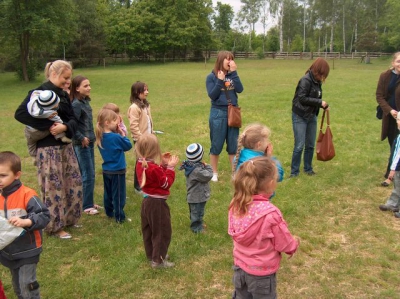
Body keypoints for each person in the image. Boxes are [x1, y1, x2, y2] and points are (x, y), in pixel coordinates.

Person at [15, 60, 82, 239]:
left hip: (65, 147)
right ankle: (54, 226)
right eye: (65, 78)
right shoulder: (38, 92)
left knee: (72, 182)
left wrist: (65, 127)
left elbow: (74, 119)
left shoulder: (64, 95)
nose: (68, 82)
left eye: (70, 78)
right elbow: (20, 114)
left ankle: (69, 218)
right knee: (53, 187)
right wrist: (49, 126)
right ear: (53, 74)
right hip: (48, 149)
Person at [228, 156, 299, 298]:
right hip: (262, 275)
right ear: (272, 183)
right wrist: (294, 244)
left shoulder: (236, 205)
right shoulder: (271, 214)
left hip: (239, 269)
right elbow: (284, 243)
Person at [0, 151, 50, 299]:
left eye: (3, 175)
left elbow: (44, 216)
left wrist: (26, 221)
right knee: (18, 287)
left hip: (27, 250)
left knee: (27, 285)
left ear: (17, 175)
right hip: (8, 252)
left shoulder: (27, 195)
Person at [135, 134, 179, 269]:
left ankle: (153, 255)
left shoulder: (141, 164)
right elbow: (165, 183)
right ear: (155, 151)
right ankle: (158, 260)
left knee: (149, 230)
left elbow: (156, 178)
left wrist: (163, 165)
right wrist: (170, 168)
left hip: (147, 202)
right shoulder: (152, 168)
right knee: (161, 231)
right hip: (157, 204)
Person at [206, 50, 244, 182]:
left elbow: (240, 89)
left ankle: (234, 173)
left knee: (233, 145)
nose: (230, 61)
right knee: (216, 144)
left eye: (231, 59)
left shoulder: (233, 75)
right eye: (227, 59)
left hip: (232, 112)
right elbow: (212, 95)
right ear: (220, 60)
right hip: (218, 113)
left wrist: (234, 73)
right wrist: (220, 80)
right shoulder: (211, 76)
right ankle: (214, 173)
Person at [290, 57, 330, 178]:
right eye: (323, 73)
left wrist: (323, 106)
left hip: (311, 115)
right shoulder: (305, 80)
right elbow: (302, 98)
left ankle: (308, 168)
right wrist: (319, 103)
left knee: (311, 144)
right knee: (299, 145)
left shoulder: (317, 81)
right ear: (318, 70)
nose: (324, 77)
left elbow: (314, 97)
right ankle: (294, 172)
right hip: (300, 115)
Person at [95, 108, 132, 223]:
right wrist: (122, 134)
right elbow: (128, 146)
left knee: (108, 192)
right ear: (107, 122)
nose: (118, 123)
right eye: (115, 120)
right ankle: (120, 217)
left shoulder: (100, 137)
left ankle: (109, 212)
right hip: (118, 170)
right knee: (119, 194)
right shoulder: (115, 137)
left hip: (107, 170)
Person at [71, 75, 100, 215]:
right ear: (77, 88)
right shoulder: (76, 104)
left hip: (90, 141)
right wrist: (81, 137)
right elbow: (72, 125)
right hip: (82, 143)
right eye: (85, 86)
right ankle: (86, 206)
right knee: (87, 174)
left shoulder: (85, 102)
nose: (89, 88)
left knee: (90, 172)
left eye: (89, 85)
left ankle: (88, 201)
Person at [376, 52, 400, 187]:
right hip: (390, 118)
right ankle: (392, 173)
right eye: (399, 61)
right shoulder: (385, 76)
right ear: (393, 63)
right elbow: (379, 96)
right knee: (393, 145)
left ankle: (389, 177)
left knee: (397, 147)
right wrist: (390, 111)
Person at [25, 90, 71, 157]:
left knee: (31, 144)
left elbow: (34, 93)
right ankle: (62, 137)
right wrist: (63, 126)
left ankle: (34, 156)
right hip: (42, 132)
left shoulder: (33, 104)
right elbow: (58, 120)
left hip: (30, 132)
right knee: (54, 126)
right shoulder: (50, 113)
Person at [179, 143, 213, 233]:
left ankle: (199, 223)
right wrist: (208, 166)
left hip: (195, 196)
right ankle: (196, 228)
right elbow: (209, 175)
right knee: (197, 212)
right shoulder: (197, 171)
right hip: (197, 197)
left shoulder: (191, 166)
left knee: (196, 212)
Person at [127, 81, 153, 193]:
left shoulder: (146, 105)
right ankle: (138, 186)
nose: (147, 92)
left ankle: (146, 182)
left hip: (148, 138)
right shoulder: (134, 107)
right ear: (137, 92)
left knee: (148, 160)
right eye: (144, 90)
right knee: (140, 162)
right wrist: (140, 138)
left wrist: (151, 134)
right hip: (140, 139)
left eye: (147, 89)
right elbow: (133, 126)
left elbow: (148, 121)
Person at [379, 113, 400, 216]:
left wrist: (393, 168)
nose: (397, 122)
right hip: (397, 168)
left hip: (397, 167)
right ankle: (393, 204)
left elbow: (398, 155)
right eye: (398, 120)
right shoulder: (399, 137)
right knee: (397, 187)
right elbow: (395, 154)